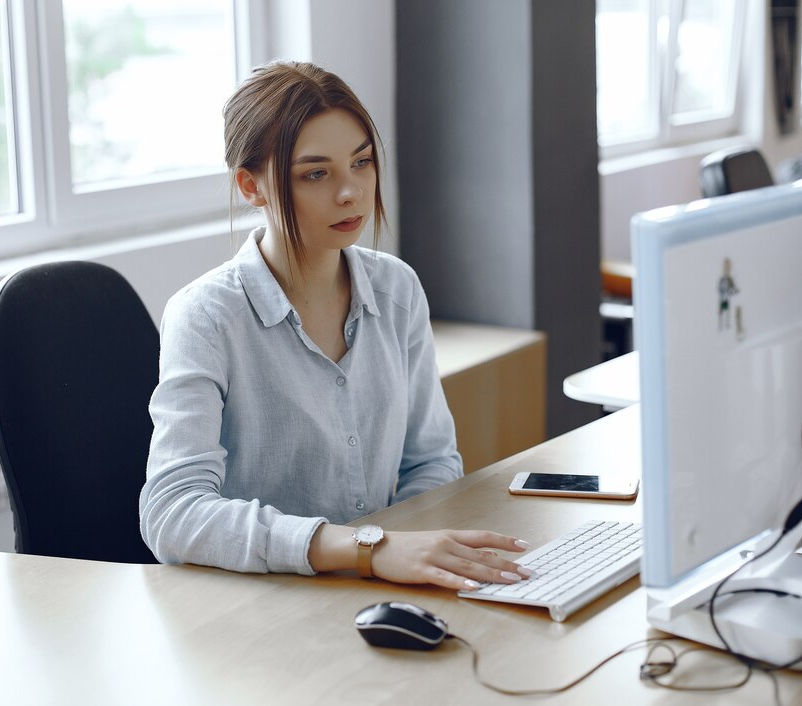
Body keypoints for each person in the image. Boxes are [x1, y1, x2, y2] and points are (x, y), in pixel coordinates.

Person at [139, 61, 533, 591]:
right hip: (261, 601)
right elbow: (173, 514)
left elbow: (432, 460)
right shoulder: (206, 317)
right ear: (251, 186)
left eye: (362, 162)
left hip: (373, 586)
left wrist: (409, 553)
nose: (351, 193)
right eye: (315, 173)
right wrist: (369, 549)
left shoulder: (397, 290)